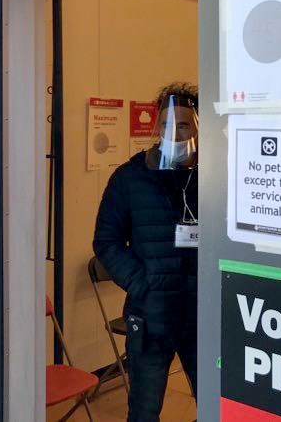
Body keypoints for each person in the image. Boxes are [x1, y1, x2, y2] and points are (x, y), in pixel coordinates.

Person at [94, 82, 199, 422]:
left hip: (202, 312)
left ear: (197, 127)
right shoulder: (130, 178)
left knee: (214, 402)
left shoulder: (213, 176)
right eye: (168, 124)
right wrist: (142, 284)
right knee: (144, 409)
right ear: (158, 126)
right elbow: (106, 242)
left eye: (184, 125)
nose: (175, 132)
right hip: (151, 313)